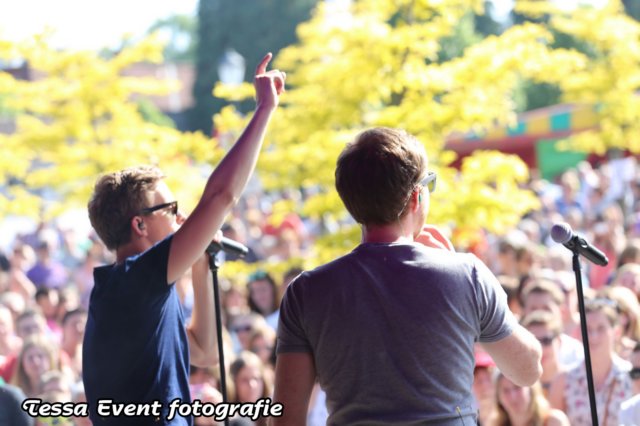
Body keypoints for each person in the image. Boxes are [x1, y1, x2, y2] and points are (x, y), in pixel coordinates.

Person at [272, 127, 542, 425]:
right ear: (416, 197)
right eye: (429, 184)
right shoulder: (466, 275)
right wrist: (457, 272)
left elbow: (284, 419)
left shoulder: (306, 292)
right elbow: (528, 370)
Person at [82, 53, 285, 425]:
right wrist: (263, 110)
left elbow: (205, 351)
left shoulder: (140, 290)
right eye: (169, 208)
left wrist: (202, 264)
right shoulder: (133, 280)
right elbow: (221, 197)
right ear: (140, 225)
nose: (180, 217)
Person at [549, 298, 633, 426]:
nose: (593, 336)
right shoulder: (563, 380)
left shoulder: (632, 377)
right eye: (587, 329)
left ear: (616, 332)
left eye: (601, 328)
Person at [488, 372, 569, 426]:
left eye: (517, 387)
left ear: (531, 389)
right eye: (506, 390)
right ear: (498, 397)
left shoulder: (553, 421)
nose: (513, 396)